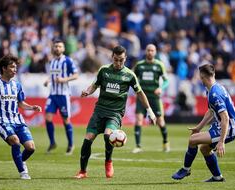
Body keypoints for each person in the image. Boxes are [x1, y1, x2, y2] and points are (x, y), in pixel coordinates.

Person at [75, 45, 156, 179]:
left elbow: (140, 93)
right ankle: (83, 171)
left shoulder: (130, 75)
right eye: (116, 60)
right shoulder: (104, 70)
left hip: (115, 113)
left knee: (109, 136)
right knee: (87, 140)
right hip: (99, 110)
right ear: (112, 57)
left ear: (125, 59)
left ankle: (108, 162)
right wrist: (87, 92)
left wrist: (150, 111)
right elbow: (94, 85)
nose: (118, 63)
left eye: (121, 60)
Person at [171, 63, 235, 182]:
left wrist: (221, 141)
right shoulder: (212, 89)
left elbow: (225, 117)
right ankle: (217, 177)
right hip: (224, 125)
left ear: (203, 76)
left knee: (193, 140)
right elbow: (211, 111)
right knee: (204, 149)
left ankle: (186, 169)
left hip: (228, 128)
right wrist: (199, 127)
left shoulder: (214, 94)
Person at [132, 44, 170, 153]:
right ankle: (138, 146)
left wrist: (161, 88)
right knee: (139, 119)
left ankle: (166, 142)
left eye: (152, 50)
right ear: (145, 51)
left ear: (155, 52)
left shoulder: (159, 65)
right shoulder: (139, 65)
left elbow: (166, 81)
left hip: (154, 97)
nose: (150, 52)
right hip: (141, 96)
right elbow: (132, 78)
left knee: (160, 121)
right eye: (148, 50)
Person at [44, 38, 79, 155]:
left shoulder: (68, 61)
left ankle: (71, 144)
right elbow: (52, 75)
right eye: (56, 46)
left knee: (65, 120)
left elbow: (76, 75)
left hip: (63, 95)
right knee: (48, 117)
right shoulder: (52, 61)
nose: (57, 48)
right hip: (52, 94)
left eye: (60, 46)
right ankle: (52, 142)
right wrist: (48, 80)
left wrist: (64, 79)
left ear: (63, 48)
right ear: (53, 48)